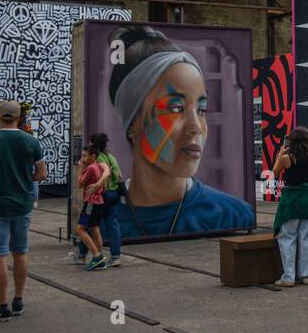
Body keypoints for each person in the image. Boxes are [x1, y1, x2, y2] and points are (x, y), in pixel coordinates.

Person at [108, 25, 255, 237]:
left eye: (201, 109)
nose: (195, 127)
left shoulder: (234, 215)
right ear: (132, 124)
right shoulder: (104, 219)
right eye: (176, 108)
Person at [0, 100, 46, 321]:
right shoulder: (32, 141)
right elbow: (41, 174)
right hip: (22, 204)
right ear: (19, 117)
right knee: (20, 252)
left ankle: (3, 306)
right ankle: (19, 299)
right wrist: (24, 179)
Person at [271, 127, 308, 287]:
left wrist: (280, 154)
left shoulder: (287, 158)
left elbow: (275, 172)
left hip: (291, 200)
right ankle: (306, 274)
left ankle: (288, 277)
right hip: (307, 199)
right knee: (306, 238)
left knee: (287, 238)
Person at [68, 133, 123, 267]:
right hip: (115, 193)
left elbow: (105, 173)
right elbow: (119, 175)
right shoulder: (111, 156)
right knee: (110, 225)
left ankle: (86, 255)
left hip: (101, 195)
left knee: (89, 226)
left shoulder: (98, 158)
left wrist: (98, 184)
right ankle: (115, 256)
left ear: (93, 145)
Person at [74, 145, 110, 270]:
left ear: (93, 156)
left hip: (91, 203)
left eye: (85, 156)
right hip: (99, 201)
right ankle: (99, 258)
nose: (82, 158)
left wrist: (80, 168)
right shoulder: (99, 166)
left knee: (80, 229)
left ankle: (96, 256)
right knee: (95, 229)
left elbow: (79, 183)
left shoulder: (90, 168)